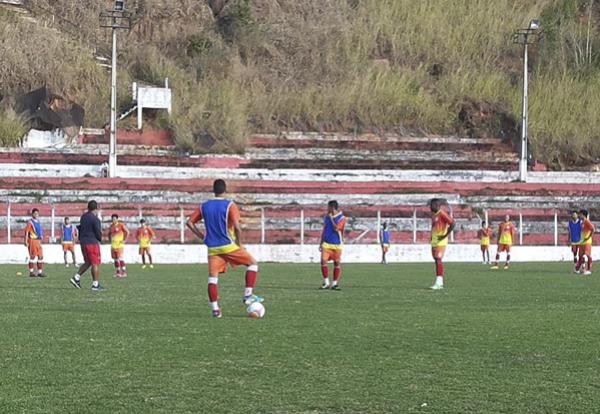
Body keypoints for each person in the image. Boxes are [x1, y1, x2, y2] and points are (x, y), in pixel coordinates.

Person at [186, 179, 263, 318]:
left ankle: (215, 310)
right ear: (225, 190)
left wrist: (203, 237)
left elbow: (189, 222)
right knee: (252, 263)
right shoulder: (229, 205)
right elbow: (237, 228)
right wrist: (239, 244)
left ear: (213, 190)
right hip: (228, 245)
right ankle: (248, 295)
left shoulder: (204, 206)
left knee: (212, 279)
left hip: (212, 248)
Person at [69, 200, 105, 291]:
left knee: (88, 262)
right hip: (92, 242)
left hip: (83, 242)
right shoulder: (95, 219)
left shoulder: (83, 217)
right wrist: (100, 238)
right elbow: (97, 231)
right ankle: (95, 285)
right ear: (96, 208)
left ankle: (76, 277)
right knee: (95, 263)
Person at [319, 200, 346, 290]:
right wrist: (321, 242)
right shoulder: (327, 217)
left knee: (337, 263)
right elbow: (324, 230)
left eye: (328, 207)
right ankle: (326, 282)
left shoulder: (342, 218)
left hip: (337, 244)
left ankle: (334, 283)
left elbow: (336, 229)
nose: (327, 209)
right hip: (326, 244)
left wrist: (331, 219)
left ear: (332, 207)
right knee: (323, 261)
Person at [429, 198, 455, 290]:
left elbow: (452, 223)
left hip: (441, 241)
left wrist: (445, 236)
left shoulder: (442, 214)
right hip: (435, 241)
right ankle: (439, 281)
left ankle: (439, 282)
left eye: (432, 205)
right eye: (430, 205)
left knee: (438, 258)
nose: (430, 207)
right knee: (436, 260)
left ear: (437, 206)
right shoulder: (434, 215)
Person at [24, 208, 46, 277]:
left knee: (40, 256)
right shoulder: (30, 222)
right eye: (35, 213)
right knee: (33, 256)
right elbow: (27, 232)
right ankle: (31, 272)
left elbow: (39, 231)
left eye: (37, 213)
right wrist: (25, 240)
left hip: (38, 241)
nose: (36, 215)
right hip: (32, 241)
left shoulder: (38, 222)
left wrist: (41, 236)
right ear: (32, 214)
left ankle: (40, 272)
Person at [575, 209, 594, 275]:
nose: (579, 215)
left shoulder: (587, 221)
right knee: (580, 256)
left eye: (580, 214)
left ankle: (588, 270)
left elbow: (592, 229)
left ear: (583, 214)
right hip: (582, 242)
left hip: (587, 242)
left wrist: (589, 237)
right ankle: (578, 269)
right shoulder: (582, 222)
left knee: (587, 255)